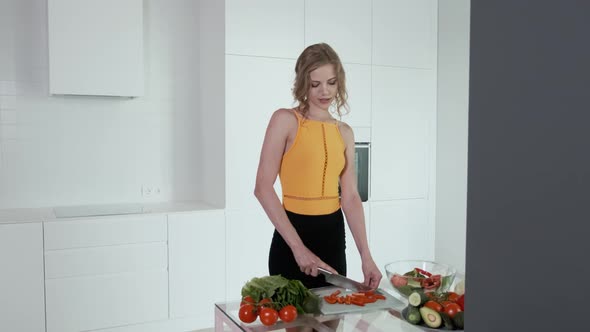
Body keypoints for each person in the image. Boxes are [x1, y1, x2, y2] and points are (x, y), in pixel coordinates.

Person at [254, 43, 382, 293]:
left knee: (331, 324)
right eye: (315, 84)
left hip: (332, 237)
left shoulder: (344, 132)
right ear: (303, 83)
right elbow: (262, 188)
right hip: (293, 236)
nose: (325, 91)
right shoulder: (286, 120)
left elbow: (351, 197)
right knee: (299, 325)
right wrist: (299, 249)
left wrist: (366, 256)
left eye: (332, 83)